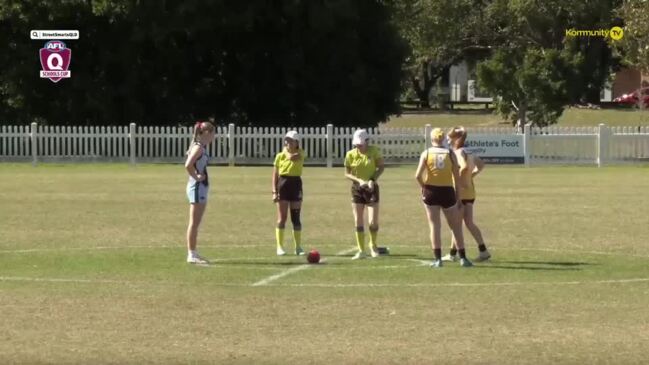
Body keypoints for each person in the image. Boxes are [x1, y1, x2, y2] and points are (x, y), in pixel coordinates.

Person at [414, 128, 472, 268]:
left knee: (435, 226)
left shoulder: (426, 153)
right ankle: (463, 258)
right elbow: (456, 177)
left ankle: (438, 259)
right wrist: (458, 197)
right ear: (443, 139)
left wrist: (424, 187)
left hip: (431, 191)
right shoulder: (450, 153)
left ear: (432, 139)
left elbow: (417, 175)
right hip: (447, 191)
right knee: (456, 226)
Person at [443, 127, 491, 262]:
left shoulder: (458, 152)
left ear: (455, 138)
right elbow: (481, 165)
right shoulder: (468, 150)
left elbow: (463, 167)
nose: (447, 140)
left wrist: (460, 180)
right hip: (470, 191)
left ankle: (454, 254)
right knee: (467, 222)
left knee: (456, 223)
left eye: (449, 137)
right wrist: (470, 177)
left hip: (461, 192)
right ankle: (482, 251)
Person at [344, 129, 385, 260]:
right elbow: (347, 173)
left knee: (373, 222)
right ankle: (361, 250)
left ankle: (373, 245)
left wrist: (372, 180)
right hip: (357, 189)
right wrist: (359, 180)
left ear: (367, 141)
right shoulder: (350, 154)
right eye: (357, 144)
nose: (359, 146)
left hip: (372, 188)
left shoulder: (374, 151)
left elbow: (381, 167)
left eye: (361, 144)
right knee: (358, 220)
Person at [184, 120, 216, 264]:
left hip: (199, 187)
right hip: (197, 188)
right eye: (213, 134)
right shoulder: (199, 148)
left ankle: (194, 252)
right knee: (194, 223)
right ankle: (191, 254)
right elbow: (188, 165)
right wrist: (196, 176)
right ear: (207, 133)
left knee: (196, 222)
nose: (214, 137)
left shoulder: (198, 146)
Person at [272, 131, 306, 256]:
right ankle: (279, 246)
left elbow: (292, 157)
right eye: (287, 140)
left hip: (296, 184)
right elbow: (275, 175)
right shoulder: (279, 156)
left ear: (297, 142)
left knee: (296, 218)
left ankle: (298, 247)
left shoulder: (300, 153)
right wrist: (274, 191)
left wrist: (287, 151)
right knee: (282, 218)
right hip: (283, 184)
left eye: (291, 140)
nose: (288, 142)